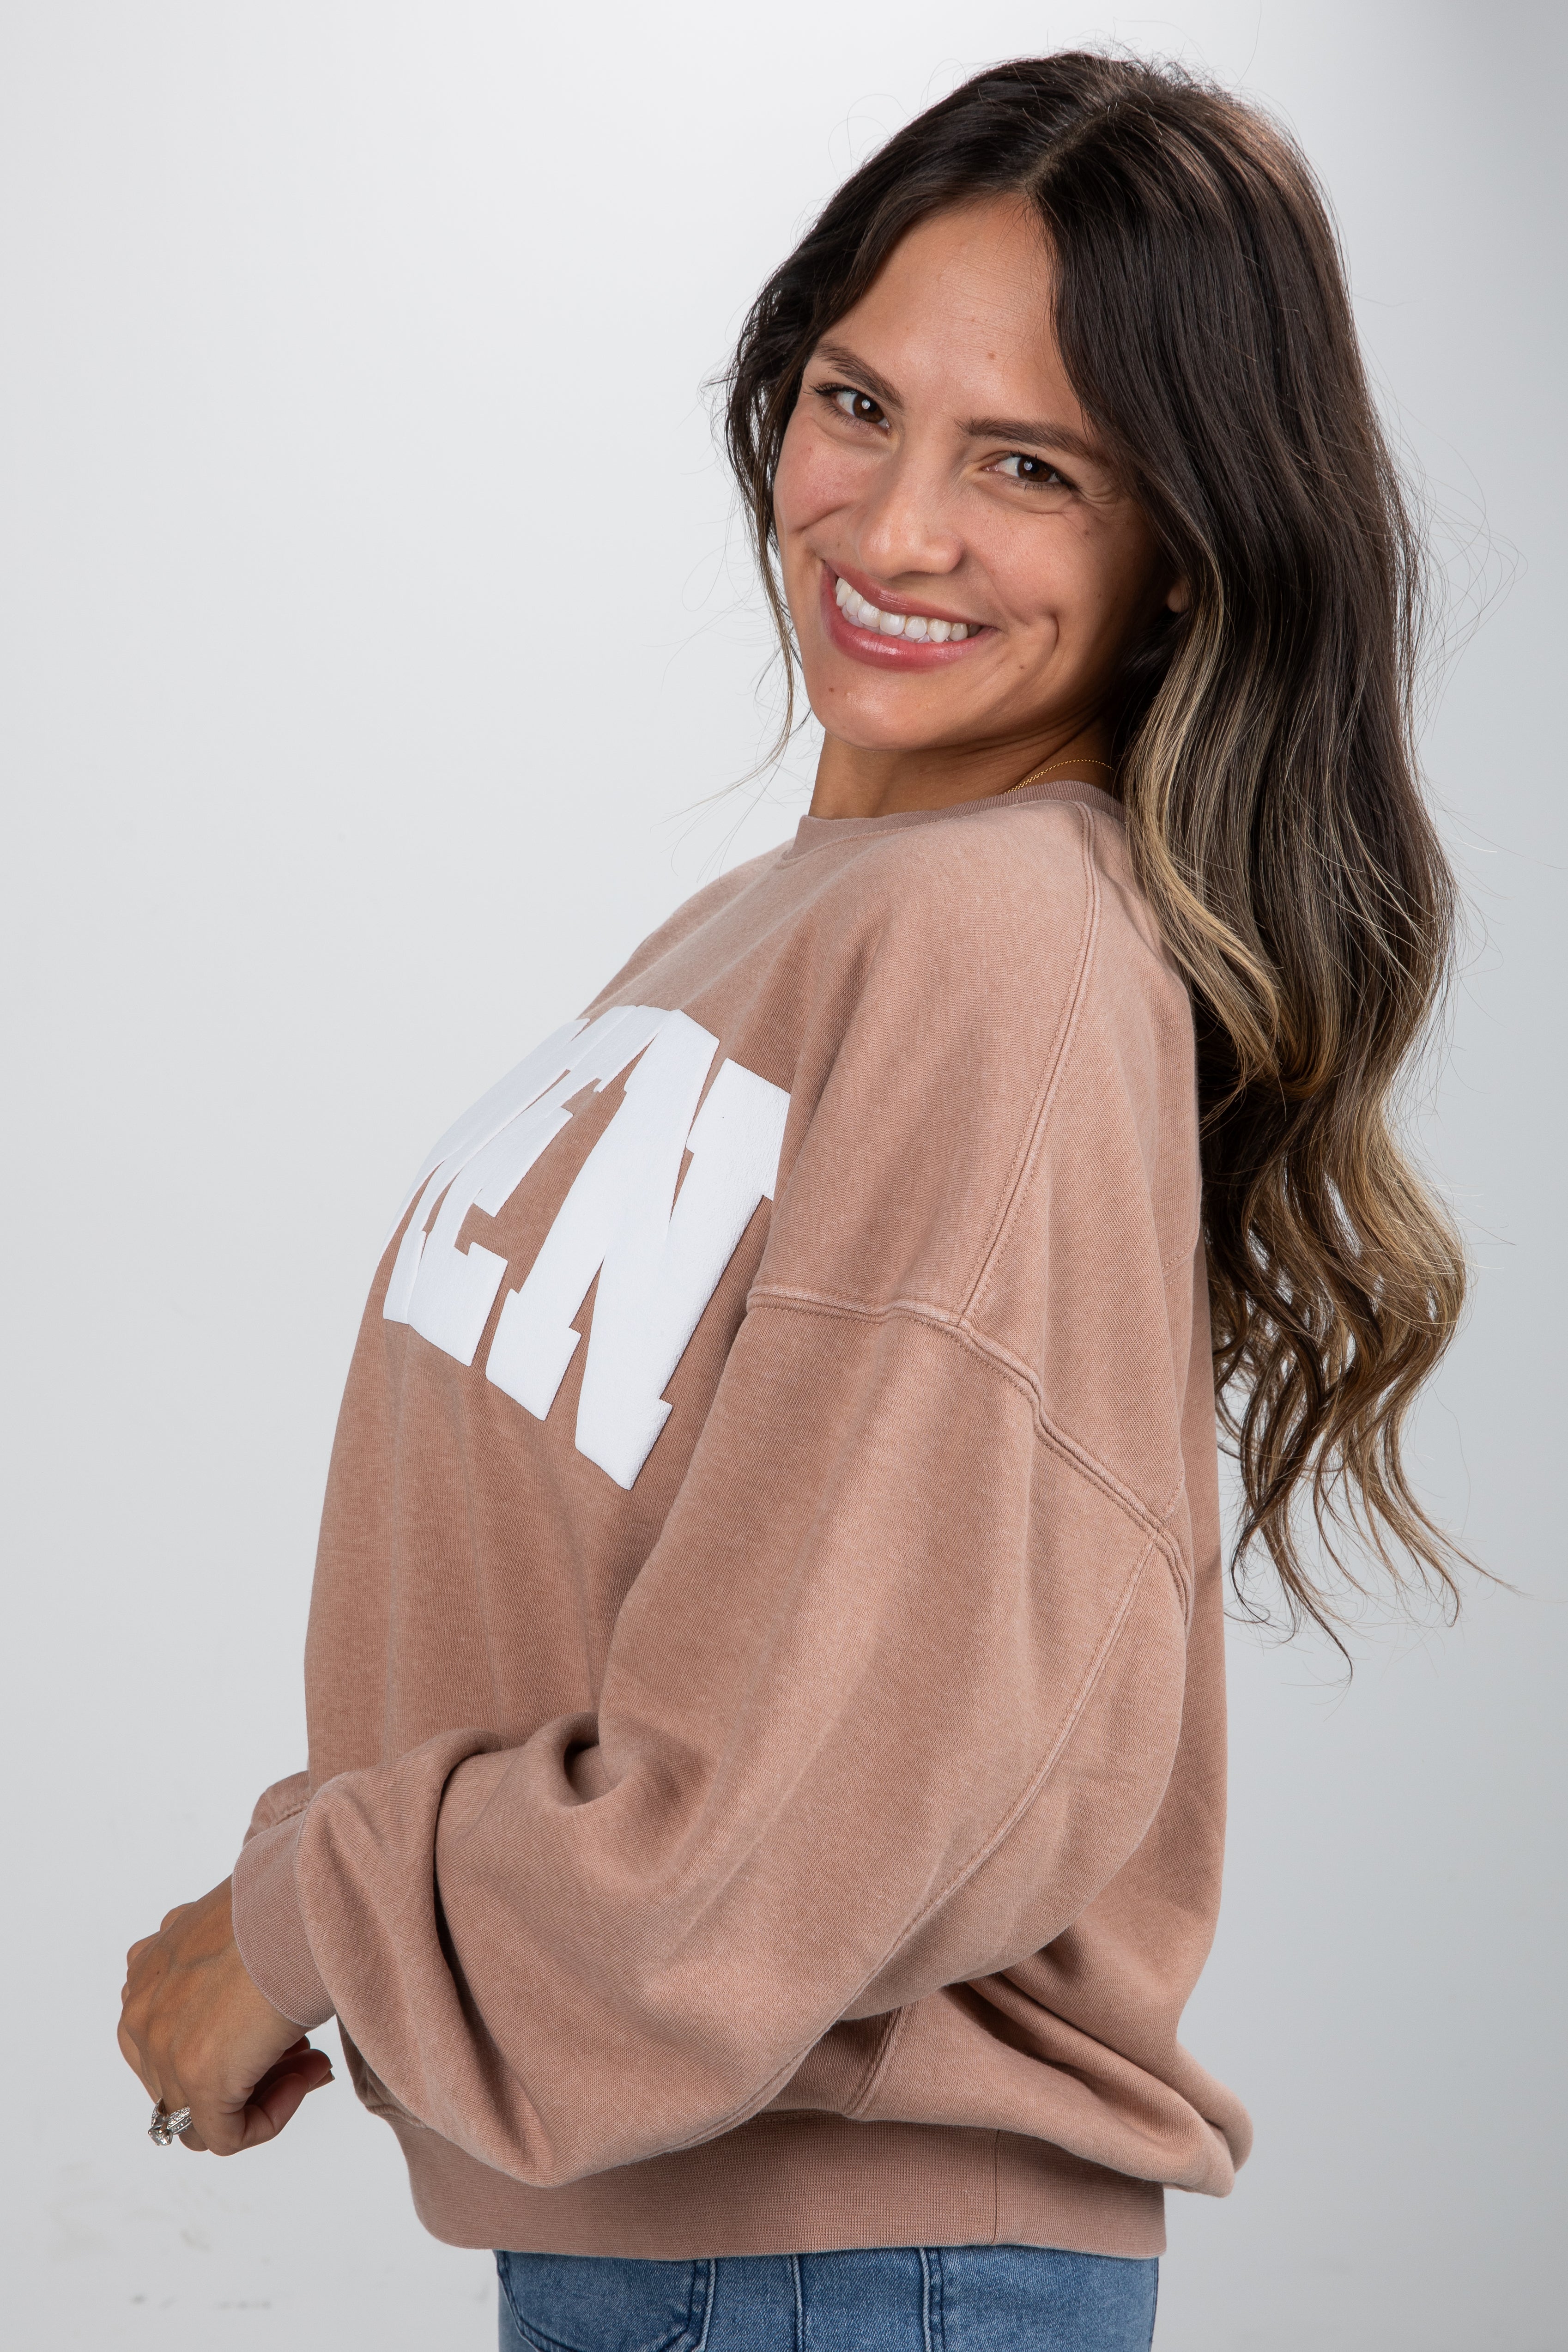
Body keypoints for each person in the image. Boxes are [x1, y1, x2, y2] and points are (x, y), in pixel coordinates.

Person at [118, 52, 1470, 2352]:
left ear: (1182, 561)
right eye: (858, 405)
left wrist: (302, 1919)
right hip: (728, 2247)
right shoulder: (814, 915)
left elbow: (785, 1807)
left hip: (839, 2261)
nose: (895, 527)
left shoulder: (1005, 943)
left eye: (1029, 468)